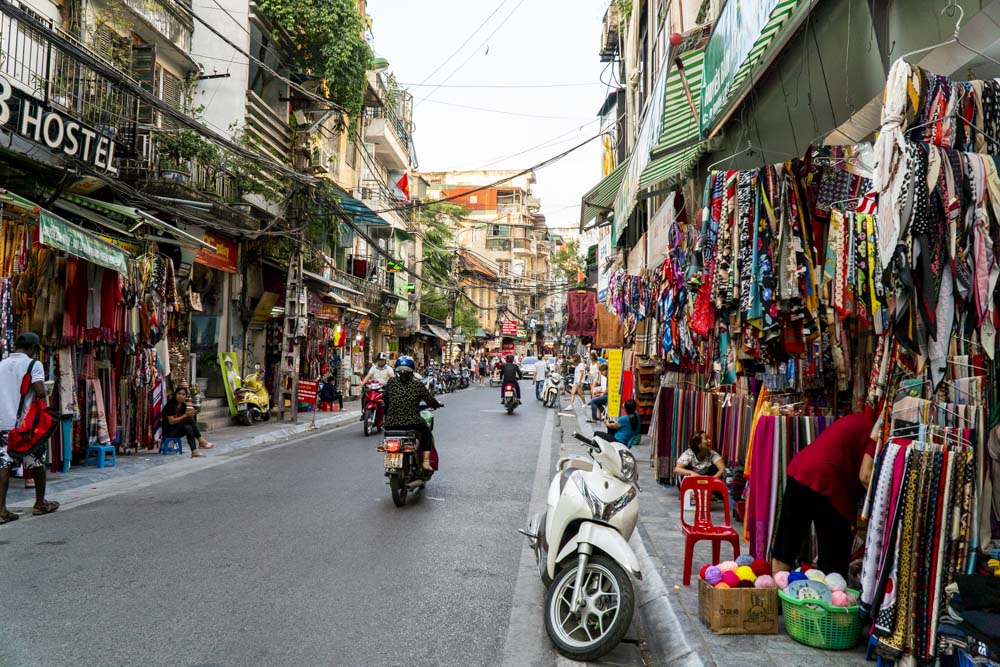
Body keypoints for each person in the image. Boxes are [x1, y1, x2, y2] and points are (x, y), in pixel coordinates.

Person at [771, 412, 876, 578]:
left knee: (786, 544)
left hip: (800, 469)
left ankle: (774, 595)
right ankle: (828, 599)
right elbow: (866, 475)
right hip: (830, 483)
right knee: (833, 559)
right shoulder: (878, 430)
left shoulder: (858, 418)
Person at [0, 333, 59, 522]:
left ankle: (1, 509)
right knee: (35, 462)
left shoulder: (1, 365)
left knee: (3, 463)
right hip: (25, 426)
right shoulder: (34, 365)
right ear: (33, 348)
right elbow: (40, 392)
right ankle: (39, 503)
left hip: (3, 423)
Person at [383, 356, 442, 470]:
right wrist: (437, 404)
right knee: (427, 434)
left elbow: (385, 398)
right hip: (412, 422)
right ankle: (425, 462)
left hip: (391, 423)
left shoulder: (391, 382)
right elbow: (430, 400)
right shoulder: (417, 385)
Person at [164, 386, 215, 458]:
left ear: (185, 396)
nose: (181, 396)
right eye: (179, 394)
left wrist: (190, 414)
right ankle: (201, 440)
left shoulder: (183, 406)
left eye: (183, 394)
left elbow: (182, 420)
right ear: (175, 395)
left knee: (188, 427)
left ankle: (194, 451)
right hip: (169, 431)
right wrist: (186, 416)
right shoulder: (170, 406)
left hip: (178, 430)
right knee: (188, 418)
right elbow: (171, 422)